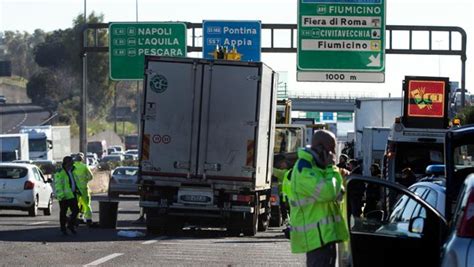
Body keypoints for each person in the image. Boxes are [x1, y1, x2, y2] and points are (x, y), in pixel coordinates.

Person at [288, 130, 349, 267]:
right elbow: (328, 193)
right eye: (331, 150)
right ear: (321, 148)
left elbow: (337, 194)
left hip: (325, 236)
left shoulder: (316, 166)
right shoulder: (304, 168)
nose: (333, 155)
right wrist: (331, 168)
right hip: (316, 238)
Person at [54, 156, 81, 235]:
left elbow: (73, 181)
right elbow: (58, 185)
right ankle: (63, 229)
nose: (72, 164)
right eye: (70, 163)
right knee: (63, 213)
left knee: (76, 210)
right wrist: (61, 195)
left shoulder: (72, 171)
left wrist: (77, 189)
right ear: (66, 164)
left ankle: (70, 224)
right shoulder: (60, 172)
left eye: (72, 163)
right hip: (64, 196)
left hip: (72, 195)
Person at [73, 152, 94, 226]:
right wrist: (85, 180)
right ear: (82, 159)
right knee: (86, 204)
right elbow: (91, 177)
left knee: (76, 204)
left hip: (75, 189)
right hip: (84, 188)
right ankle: (88, 219)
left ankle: (76, 218)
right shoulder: (85, 166)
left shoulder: (73, 167)